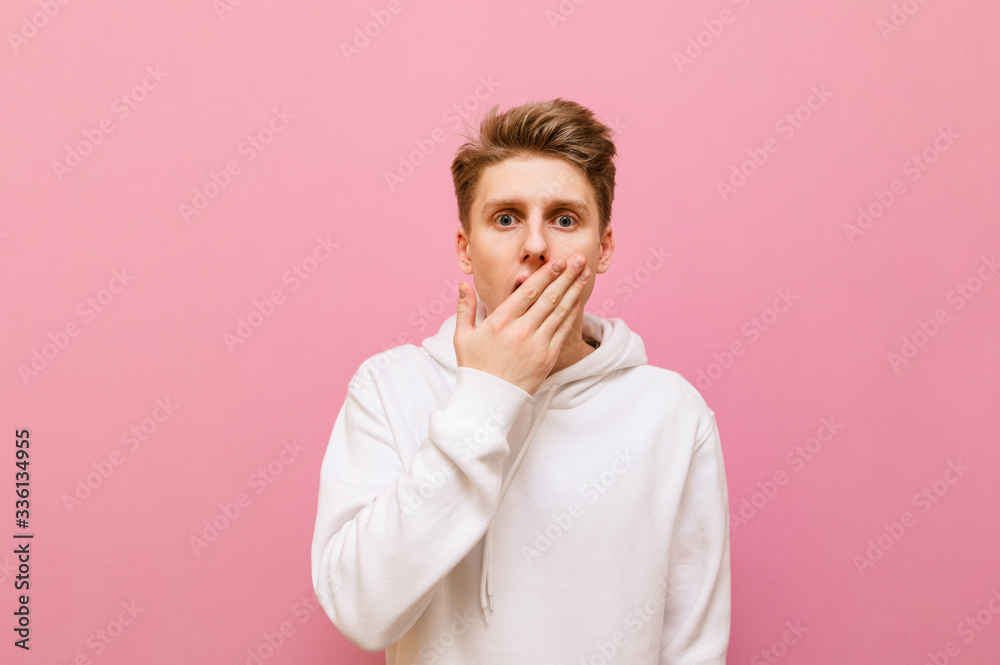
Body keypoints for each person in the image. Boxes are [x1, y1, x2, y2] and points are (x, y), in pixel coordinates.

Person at [311, 98, 731, 664]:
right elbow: (361, 611)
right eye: (505, 218)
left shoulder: (672, 413)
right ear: (465, 246)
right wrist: (487, 395)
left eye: (564, 219)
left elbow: (692, 647)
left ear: (602, 248)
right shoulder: (389, 387)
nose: (535, 246)